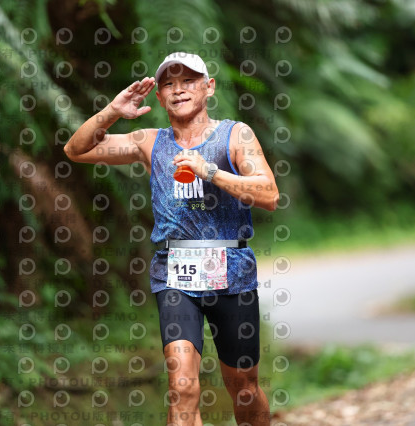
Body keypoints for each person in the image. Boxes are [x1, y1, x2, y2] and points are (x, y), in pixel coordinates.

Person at [64, 51, 278, 426]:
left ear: (209, 87)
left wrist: (209, 171)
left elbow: (269, 194)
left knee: (244, 387)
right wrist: (113, 111)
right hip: (175, 274)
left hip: (233, 272)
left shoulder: (235, 134)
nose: (179, 89)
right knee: (182, 387)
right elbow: (75, 149)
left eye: (189, 81)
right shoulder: (149, 142)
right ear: (160, 97)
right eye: (169, 84)